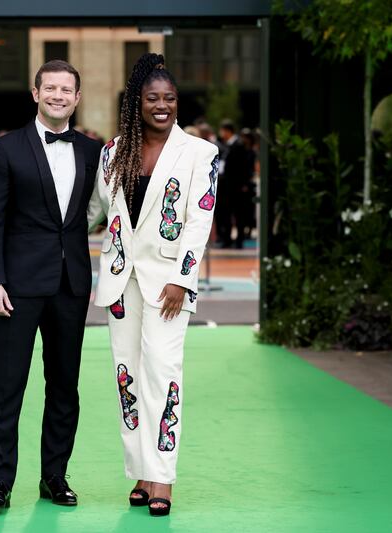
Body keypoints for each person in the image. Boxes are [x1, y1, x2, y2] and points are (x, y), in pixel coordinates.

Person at [87, 53, 219, 517]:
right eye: (152, 98)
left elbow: (199, 221)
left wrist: (184, 279)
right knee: (127, 378)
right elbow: (94, 214)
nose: (162, 106)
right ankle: (140, 470)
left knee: (162, 374)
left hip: (168, 286)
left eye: (169, 98)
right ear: (135, 103)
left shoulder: (199, 153)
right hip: (120, 284)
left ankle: (162, 478)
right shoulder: (113, 152)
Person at [0, 60, 101, 511]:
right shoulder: (4, 150)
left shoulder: (92, 151)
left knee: (65, 386)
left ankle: (54, 477)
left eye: (66, 90)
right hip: (16, 288)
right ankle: (0, 485)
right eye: (50, 88)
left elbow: (102, 210)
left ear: (77, 97)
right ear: (35, 93)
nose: (58, 96)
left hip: (71, 287)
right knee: (6, 387)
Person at [216, 119, 251, 248]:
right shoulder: (227, 145)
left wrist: (244, 184)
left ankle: (239, 240)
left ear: (227, 131)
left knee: (238, 214)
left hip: (236, 187)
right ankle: (227, 239)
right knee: (226, 213)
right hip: (227, 186)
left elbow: (244, 166)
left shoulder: (239, 145)